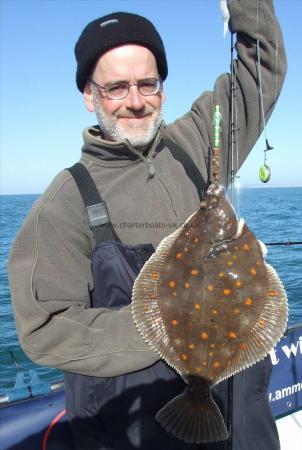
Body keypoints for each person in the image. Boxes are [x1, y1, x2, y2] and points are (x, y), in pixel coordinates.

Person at [8, 1, 287, 449]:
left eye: (147, 83)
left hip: (243, 418)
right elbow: (46, 328)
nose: (135, 101)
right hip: (136, 431)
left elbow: (261, 73)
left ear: (162, 89)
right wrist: (166, 328)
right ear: (89, 95)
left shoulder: (198, 142)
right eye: (116, 87)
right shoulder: (62, 205)